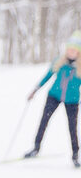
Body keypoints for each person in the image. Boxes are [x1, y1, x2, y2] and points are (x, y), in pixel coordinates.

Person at [23, 35, 81, 166]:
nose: (71, 52)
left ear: (78, 52)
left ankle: (75, 155)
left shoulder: (80, 67)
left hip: (72, 101)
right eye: (69, 49)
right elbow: (47, 77)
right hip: (53, 96)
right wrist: (35, 90)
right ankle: (36, 148)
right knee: (44, 121)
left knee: (72, 127)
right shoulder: (59, 62)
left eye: (74, 50)